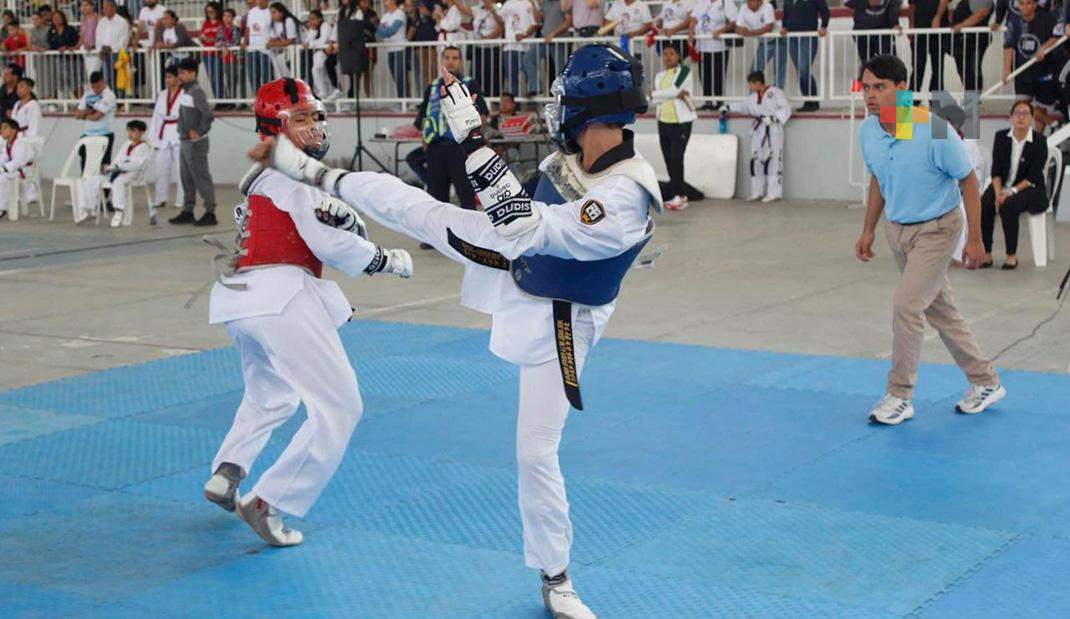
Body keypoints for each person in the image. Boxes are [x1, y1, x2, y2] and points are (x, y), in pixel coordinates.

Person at [253, 42, 660, 619]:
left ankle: (556, 576)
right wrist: (472, 142)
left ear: (586, 108)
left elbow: (520, 225)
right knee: (413, 205)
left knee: (534, 452)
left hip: (563, 313)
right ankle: (307, 169)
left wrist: (473, 138)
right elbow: (509, 209)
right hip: (518, 261)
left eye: (565, 98)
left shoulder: (625, 196)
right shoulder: (571, 161)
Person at [203, 77, 414, 547]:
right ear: (270, 129)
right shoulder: (293, 177)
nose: (314, 126)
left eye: (316, 116)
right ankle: (267, 501)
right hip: (280, 296)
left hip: (242, 300)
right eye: (300, 119)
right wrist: (386, 259)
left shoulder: (263, 180)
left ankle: (227, 470)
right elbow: (328, 244)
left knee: (272, 394)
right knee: (340, 407)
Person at [855, 54, 1004, 425]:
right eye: (867, 88)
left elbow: (968, 179)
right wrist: (868, 229)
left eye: (881, 87)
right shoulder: (868, 130)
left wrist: (975, 239)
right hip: (898, 230)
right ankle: (984, 381)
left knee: (907, 306)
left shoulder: (934, 127)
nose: (871, 96)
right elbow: (877, 179)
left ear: (902, 89)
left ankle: (899, 395)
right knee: (941, 310)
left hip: (938, 229)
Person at [414, 45, 488, 222]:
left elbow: (482, 115)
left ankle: (471, 238)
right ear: (442, 60)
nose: (451, 61)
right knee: (435, 195)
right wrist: (425, 142)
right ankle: (436, 236)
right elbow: (423, 116)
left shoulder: (469, 84)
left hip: (460, 148)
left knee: (465, 193)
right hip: (435, 148)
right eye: (447, 57)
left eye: (455, 58)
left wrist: (472, 141)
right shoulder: (432, 86)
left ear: (460, 62)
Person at [981, 99, 1049, 269]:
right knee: (986, 203)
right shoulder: (1001, 137)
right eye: (1017, 113)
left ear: (1032, 118)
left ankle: (1011, 255)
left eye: (1026, 113)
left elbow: (1033, 176)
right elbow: (996, 171)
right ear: (1011, 117)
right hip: (1002, 185)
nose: (1021, 117)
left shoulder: (1040, 141)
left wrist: (1009, 192)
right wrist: (998, 194)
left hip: (1029, 188)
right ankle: (986, 253)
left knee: (1008, 205)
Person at [728, 70, 790, 202]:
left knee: (773, 161)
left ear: (757, 82)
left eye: (751, 84)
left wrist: (774, 118)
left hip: (773, 130)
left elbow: (786, 108)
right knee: (756, 160)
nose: (750, 87)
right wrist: (728, 107)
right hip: (758, 130)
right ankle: (757, 192)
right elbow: (743, 106)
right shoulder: (753, 97)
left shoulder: (775, 92)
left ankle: (773, 193)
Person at [76, 119, 151, 227]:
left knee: (118, 183)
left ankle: (119, 211)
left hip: (131, 174)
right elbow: (117, 160)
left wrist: (119, 166)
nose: (130, 133)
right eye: (129, 131)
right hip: (116, 171)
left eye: (133, 131)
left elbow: (137, 164)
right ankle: (89, 210)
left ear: (141, 132)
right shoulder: (126, 144)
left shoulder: (144, 147)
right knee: (90, 181)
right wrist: (109, 168)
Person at [170, 58, 216, 226]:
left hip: (195, 143)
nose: (179, 76)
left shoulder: (196, 92)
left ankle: (210, 211)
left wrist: (200, 131)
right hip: (185, 141)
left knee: (201, 177)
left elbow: (208, 115)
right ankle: (188, 209)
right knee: (186, 178)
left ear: (192, 73)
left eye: (182, 73)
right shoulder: (186, 92)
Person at [652, 44, 696, 210]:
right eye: (665, 54)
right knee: (669, 160)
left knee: (677, 159)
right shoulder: (659, 76)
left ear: (678, 56)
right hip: (663, 120)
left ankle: (680, 195)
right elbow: (660, 98)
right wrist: (664, 95)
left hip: (680, 122)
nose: (668, 57)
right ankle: (676, 193)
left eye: (671, 53)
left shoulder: (683, 71)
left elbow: (674, 89)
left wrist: (655, 94)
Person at [1002, 0, 1059, 131]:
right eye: (1021, 3)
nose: (1025, 7)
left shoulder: (1047, 18)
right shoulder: (1013, 21)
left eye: (1028, 3)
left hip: (1044, 70)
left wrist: (1044, 47)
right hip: (1023, 71)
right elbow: (1008, 46)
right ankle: (1053, 123)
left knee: (1041, 107)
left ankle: (1039, 138)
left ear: (1034, 5)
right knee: (1021, 106)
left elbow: (1056, 36)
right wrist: (1006, 71)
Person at [148, 65, 183, 223]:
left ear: (178, 78)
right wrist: (153, 138)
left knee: (181, 169)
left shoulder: (185, 93)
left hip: (179, 131)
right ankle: (160, 198)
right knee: (161, 166)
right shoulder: (162, 95)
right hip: (164, 132)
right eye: (166, 77)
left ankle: (182, 198)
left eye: (170, 77)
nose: (167, 80)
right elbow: (156, 117)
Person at [780, 0, 828, 112]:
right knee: (801, 72)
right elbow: (786, 15)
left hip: (808, 37)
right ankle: (809, 101)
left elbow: (825, 11)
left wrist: (824, 26)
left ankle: (813, 101)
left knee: (803, 70)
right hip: (792, 37)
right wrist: (784, 26)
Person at [690, 0, 738, 111]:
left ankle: (719, 102)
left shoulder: (726, 2)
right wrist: (691, 32)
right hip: (703, 46)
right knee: (704, 75)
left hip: (719, 46)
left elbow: (734, 22)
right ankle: (708, 102)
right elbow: (693, 18)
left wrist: (721, 30)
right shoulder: (701, 2)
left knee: (718, 75)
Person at [74, 71, 117, 172]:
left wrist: (84, 115)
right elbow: (76, 115)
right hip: (88, 134)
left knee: (103, 164)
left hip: (105, 134)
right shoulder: (88, 95)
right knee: (85, 162)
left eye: (98, 87)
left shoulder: (109, 96)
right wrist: (87, 112)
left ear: (103, 82)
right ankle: (86, 185)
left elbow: (97, 116)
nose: (95, 90)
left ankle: (105, 186)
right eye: (93, 87)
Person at [950, 0, 993, 93]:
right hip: (961, 42)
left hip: (976, 41)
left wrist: (962, 25)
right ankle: (971, 99)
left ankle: (974, 102)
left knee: (973, 71)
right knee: (964, 71)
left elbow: (982, 12)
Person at [909, 0, 950, 96]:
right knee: (917, 67)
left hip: (938, 30)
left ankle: (936, 100)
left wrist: (937, 17)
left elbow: (944, 1)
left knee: (938, 67)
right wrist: (911, 24)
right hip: (919, 30)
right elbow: (912, 5)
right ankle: (910, 102)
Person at [500, 0, 540, 98]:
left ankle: (533, 103)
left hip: (526, 47)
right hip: (509, 46)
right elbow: (500, 20)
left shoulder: (530, 3)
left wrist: (525, 34)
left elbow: (536, 24)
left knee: (529, 74)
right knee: (511, 78)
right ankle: (513, 103)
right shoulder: (508, 3)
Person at [736, 0, 779, 88]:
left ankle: (776, 99)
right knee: (754, 72)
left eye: (751, 1)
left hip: (779, 41)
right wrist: (742, 30)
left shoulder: (768, 6)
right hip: (764, 42)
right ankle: (756, 98)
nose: (748, 3)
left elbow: (768, 28)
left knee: (779, 74)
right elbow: (737, 28)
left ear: (759, 1)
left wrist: (749, 33)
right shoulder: (744, 8)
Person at [0, 117, 35, 220]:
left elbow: (18, 161)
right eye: (1, 128)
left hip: (23, 170)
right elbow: (4, 159)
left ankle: (2, 208)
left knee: (2, 178)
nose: (1, 130)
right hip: (14, 170)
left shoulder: (20, 143)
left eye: (5, 128)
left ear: (14, 131)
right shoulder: (7, 143)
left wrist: (3, 169)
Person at [96, 0, 130, 95]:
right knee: (107, 78)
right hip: (104, 54)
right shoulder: (101, 22)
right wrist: (99, 50)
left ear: (114, 8)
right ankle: (111, 98)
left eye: (107, 7)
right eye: (104, 7)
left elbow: (124, 41)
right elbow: (98, 38)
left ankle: (121, 101)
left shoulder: (122, 22)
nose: (105, 9)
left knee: (119, 78)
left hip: (117, 54)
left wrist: (111, 48)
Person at [469, 0, 503, 97]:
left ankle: (493, 98)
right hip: (478, 47)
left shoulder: (498, 8)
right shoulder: (478, 9)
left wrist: (492, 10)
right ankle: (477, 99)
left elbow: (501, 25)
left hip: (492, 47)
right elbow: (465, 10)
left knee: (491, 75)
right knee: (476, 74)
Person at [243, 0, 274, 94]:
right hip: (252, 49)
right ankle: (257, 98)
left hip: (265, 50)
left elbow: (274, 29)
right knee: (253, 76)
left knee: (267, 76)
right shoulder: (251, 12)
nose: (260, 1)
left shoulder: (271, 12)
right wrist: (244, 41)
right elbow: (248, 28)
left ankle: (269, 99)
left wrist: (271, 41)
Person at [267, 2, 300, 79]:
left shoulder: (289, 21)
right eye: (271, 13)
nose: (272, 15)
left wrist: (275, 44)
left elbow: (291, 40)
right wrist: (271, 43)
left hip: (297, 50)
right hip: (286, 52)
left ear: (281, 12)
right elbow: (273, 39)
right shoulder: (274, 24)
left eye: (274, 12)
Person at [541, 0, 572, 80]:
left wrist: (553, 33)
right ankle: (535, 90)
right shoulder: (545, 3)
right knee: (528, 59)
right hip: (545, 40)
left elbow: (568, 21)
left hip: (560, 41)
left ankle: (562, 91)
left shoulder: (563, 2)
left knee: (561, 69)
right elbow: (541, 18)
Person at [201, 2, 225, 99]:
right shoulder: (205, 23)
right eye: (208, 12)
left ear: (217, 11)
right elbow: (202, 38)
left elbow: (221, 38)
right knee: (212, 78)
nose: (210, 14)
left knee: (217, 78)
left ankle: (222, 99)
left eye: (212, 11)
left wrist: (209, 39)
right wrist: (205, 38)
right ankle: (218, 99)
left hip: (217, 54)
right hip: (207, 54)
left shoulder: (221, 23)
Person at [78, 0, 100, 77]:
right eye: (82, 6)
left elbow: (100, 34)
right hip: (86, 48)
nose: (84, 8)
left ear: (92, 7)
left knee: (94, 71)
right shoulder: (82, 19)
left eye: (86, 5)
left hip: (96, 49)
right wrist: (75, 47)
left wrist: (94, 45)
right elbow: (82, 36)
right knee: (89, 72)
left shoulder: (97, 17)